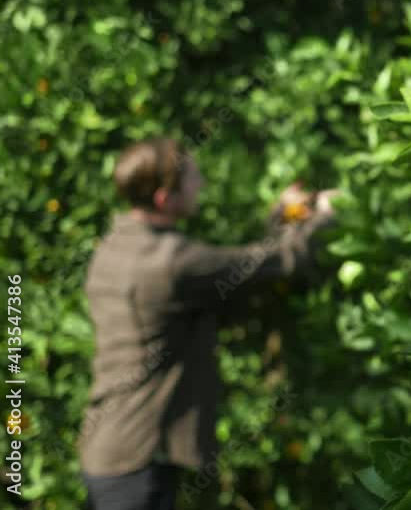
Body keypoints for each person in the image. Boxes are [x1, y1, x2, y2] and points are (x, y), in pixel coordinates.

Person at [78, 138, 337, 509]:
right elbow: (277, 263)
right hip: (137, 457)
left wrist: (283, 218)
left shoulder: (114, 247)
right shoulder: (171, 262)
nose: (201, 185)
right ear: (165, 199)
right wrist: (324, 216)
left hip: (110, 446)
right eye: (193, 179)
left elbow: (237, 276)